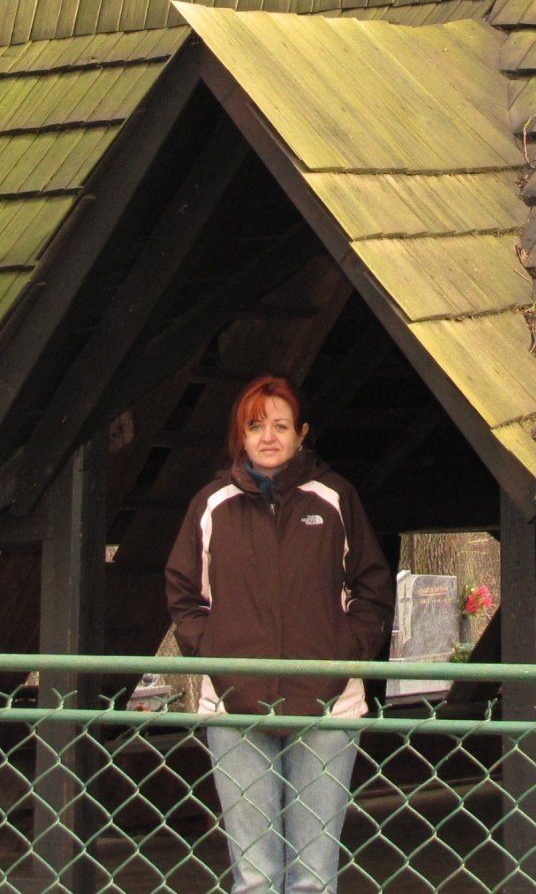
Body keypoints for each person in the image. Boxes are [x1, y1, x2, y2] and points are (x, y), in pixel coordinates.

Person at [165, 374, 395, 894]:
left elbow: (372, 587)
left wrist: (345, 654)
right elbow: (184, 593)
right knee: (255, 876)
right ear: (239, 437)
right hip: (234, 710)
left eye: (280, 425)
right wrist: (218, 658)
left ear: (301, 433)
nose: (268, 436)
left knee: (313, 878)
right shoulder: (211, 506)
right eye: (255, 425)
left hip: (328, 711)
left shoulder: (335, 499)